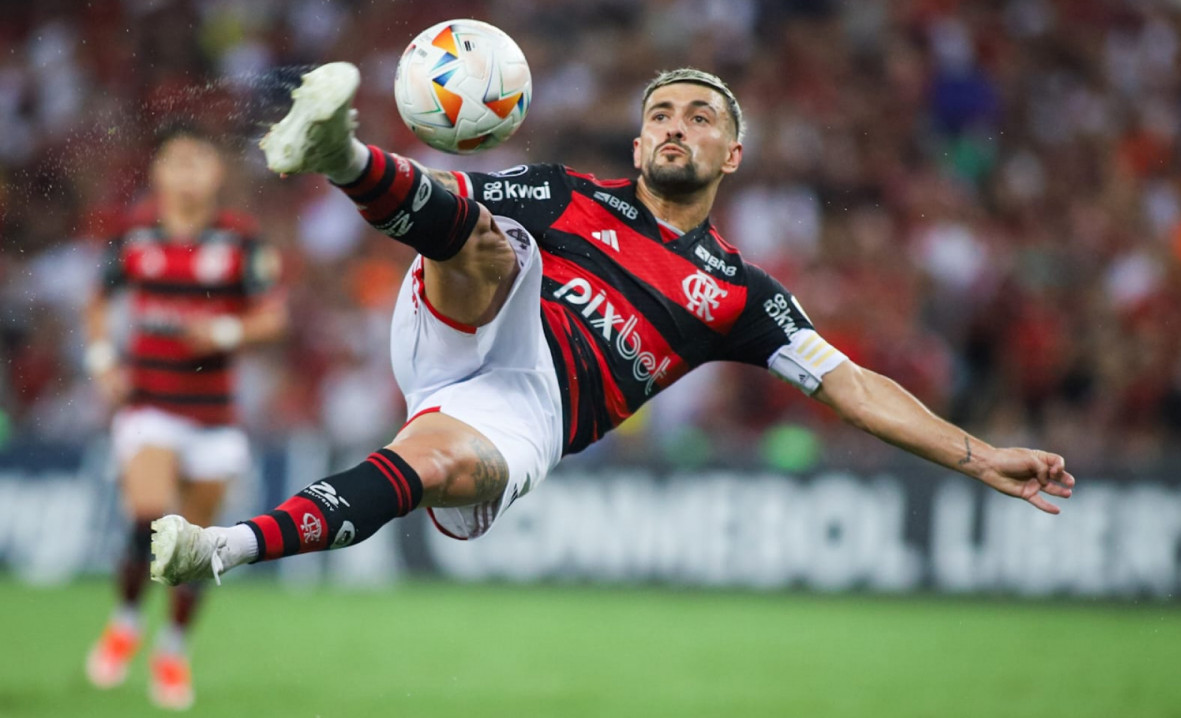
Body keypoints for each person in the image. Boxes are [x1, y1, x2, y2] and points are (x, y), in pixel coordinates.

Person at [149, 62, 1073, 590]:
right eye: (660, 115)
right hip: (464, 320)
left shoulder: (738, 295)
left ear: (732, 153)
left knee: (433, 468)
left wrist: (979, 455)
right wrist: (378, 172)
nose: (676, 126)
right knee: (491, 237)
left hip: (528, 410)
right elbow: (444, 199)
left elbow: (854, 388)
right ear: (636, 145)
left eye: (700, 118)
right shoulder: (565, 194)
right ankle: (339, 151)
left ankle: (220, 548)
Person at [83, 123, 287, 710]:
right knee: (150, 516)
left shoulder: (241, 239)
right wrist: (103, 360)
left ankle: (171, 650)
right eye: (176, 161)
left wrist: (224, 331)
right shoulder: (134, 233)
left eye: (199, 161)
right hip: (150, 404)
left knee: (195, 546)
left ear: (217, 173)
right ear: (158, 172)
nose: (187, 172)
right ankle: (126, 621)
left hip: (215, 416)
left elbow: (273, 318)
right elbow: (97, 300)